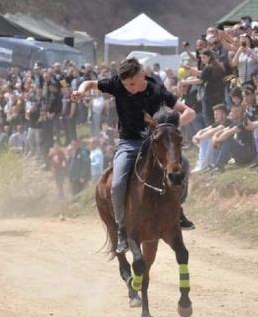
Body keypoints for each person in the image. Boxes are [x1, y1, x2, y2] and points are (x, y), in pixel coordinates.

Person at [72, 57, 196, 254]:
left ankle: (177, 212)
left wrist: (171, 128)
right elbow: (90, 83)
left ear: (141, 76)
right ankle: (122, 229)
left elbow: (189, 112)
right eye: (125, 84)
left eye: (132, 83)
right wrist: (80, 90)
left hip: (155, 143)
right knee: (118, 183)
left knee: (185, 164)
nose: (128, 88)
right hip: (128, 144)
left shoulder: (157, 90)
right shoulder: (118, 84)